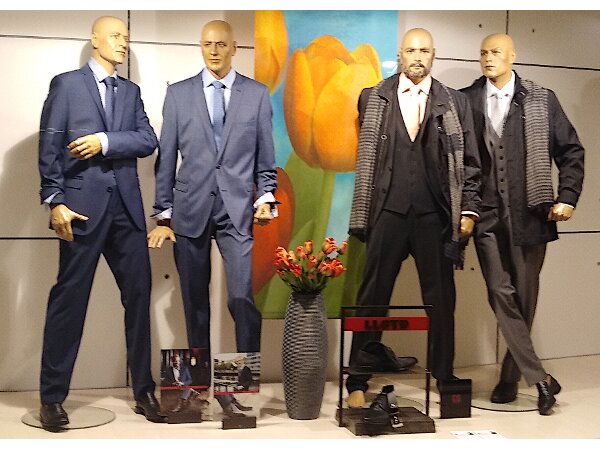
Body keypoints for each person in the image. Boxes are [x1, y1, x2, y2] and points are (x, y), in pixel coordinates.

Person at [37, 16, 165, 431]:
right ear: (94, 40)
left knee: (139, 299)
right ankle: (52, 398)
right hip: (81, 209)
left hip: (127, 210)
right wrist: (54, 201)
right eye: (115, 35)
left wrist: (105, 141)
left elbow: (148, 140)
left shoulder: (131, 91)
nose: (123, 43)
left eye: (126, 37)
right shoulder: (66, 85)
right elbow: (49, 145)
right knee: (69, 301)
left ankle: (144, 391)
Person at [147, 20, 277, 418]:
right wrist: (163, 214)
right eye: (207, 44)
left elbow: (265, 155)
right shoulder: (179, 94)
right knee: (194, 301)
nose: (214, 51)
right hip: (190, 209)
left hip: (237, 209)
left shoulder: (256, 95)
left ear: (235, 47)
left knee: (241, 297)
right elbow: (166, 157)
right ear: (200, 47)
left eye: (222, 44)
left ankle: (241, 386)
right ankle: (198, 387)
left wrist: (266, 195)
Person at [346, 28, 482, 408]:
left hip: (435, 215)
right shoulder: (374, 97)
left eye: (424, 50)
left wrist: (468, 209)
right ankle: (357, 377)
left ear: (433, 55)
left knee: (441, 299)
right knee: (371, 298)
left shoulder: (454, 101)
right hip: (387, 212)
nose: (417, 57)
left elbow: (471, 161)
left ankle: (444, 375)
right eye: (411, 50)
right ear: (400, 55)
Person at [461, 33, 584, 415]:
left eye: (496, 52)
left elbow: (571, 151)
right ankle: (541, 379)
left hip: (531, 212)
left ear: (513, 56)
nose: (488, 58)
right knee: (499, 291)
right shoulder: (466, 100)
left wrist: (567, 196)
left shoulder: (541, 99)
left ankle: (510, 376)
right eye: (483, 52)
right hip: (485, 214)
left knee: (525, 298)